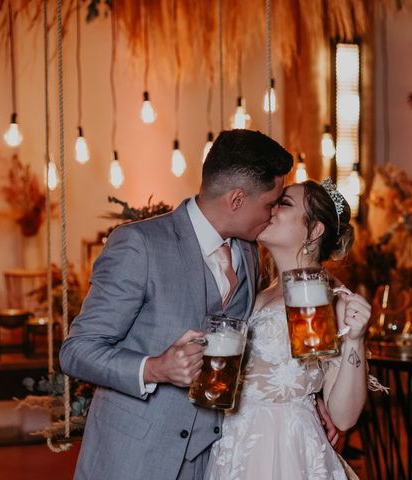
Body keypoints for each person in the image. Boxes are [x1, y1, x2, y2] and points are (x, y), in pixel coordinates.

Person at [59, 129, 292, 480]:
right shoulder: (139, 245)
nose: (273, 215)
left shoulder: (249, 252)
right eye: (270, 204)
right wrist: (154, 368)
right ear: (236, 199)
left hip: (212, 459)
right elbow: (76, 351)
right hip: (132, 459)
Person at [204, 179, 372, 479]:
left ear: (315, 230)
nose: (270, 208)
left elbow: (344, 417)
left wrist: (355, 341)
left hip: (285, 448)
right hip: (232, 445)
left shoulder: (326, 297)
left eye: (283, 204)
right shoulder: (255, 291)